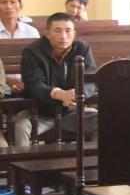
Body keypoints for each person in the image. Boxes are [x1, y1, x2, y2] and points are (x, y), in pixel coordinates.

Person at [14, 14, 97, 146]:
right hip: (39, 112)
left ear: (74, 33)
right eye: (57, 31)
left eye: (68, 31)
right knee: (21, 127)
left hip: (71, 111)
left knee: (104, 120)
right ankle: (25, 160)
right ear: (47, 34)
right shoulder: (32, 51)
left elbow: (91, 79)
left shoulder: (82, 48)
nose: (63, 36)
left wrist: (78, 93)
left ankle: (93, 159)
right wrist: (59, 94)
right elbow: (34, 84)